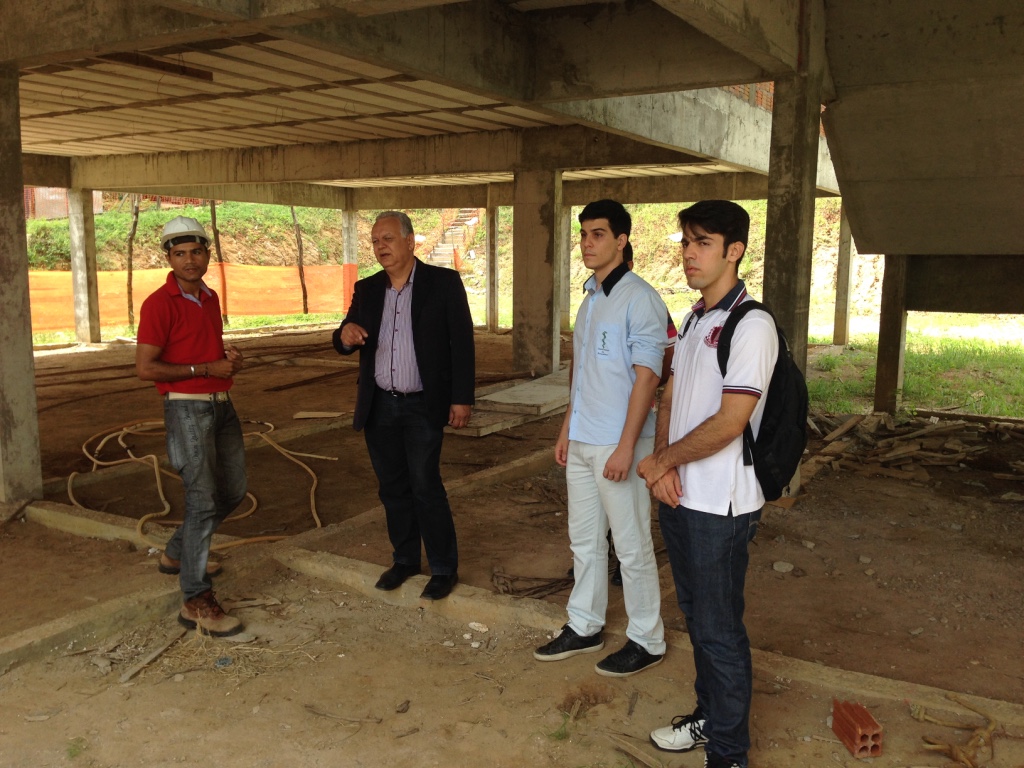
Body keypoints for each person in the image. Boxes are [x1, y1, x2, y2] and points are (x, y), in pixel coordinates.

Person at [637, 200, 778, 768]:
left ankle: (729, 753)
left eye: (702, 243)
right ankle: (709, 719)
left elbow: (730, 422)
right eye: (685, 242)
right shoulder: (697, 318)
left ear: (734, 251)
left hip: (722, 505)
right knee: (697, 619)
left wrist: (661, 462)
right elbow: (671, 396)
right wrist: (663, 464)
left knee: (719, 629)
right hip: (681, 495)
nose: (688, 254)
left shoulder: (753, 325)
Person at [534, 199, 668, 677]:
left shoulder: (640, 298)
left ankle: (647, 638)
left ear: (621, 240)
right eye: (583, 234)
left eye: (598, 234)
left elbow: (648, 377)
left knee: (630, 545)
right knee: (585, 542)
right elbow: (582, 372)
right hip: (584, 441)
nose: (587, 243)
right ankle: (585, 625)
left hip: (619, 443)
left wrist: (628, 447)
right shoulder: (590, 299)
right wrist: (567, 429)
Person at [333, 211, 474, 601]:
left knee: (425, 485)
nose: (381, 247)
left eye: (388, 239)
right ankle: (406, 560)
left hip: (422, 406)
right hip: (380, 405)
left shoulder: (443, 284)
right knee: (392, 488)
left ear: (410, 242)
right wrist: (344, 334)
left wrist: (461, 397)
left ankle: (443, 567)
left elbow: (462, 343)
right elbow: (345, 336)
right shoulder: (367, 289)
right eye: (375, 241)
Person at [136, 215, 247, 638]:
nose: (189, 260)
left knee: (233, 491)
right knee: (202, 500)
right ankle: (195, 599)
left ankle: (176, 554)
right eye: (179, 253)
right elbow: (146, 368)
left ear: (206, 254)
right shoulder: (158, 304)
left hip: (220, 406)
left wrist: (228, 362)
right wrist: (205, 368)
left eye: (196, 252)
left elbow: (205, 353)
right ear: (168, 257)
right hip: (186, 411)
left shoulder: (209, 297)